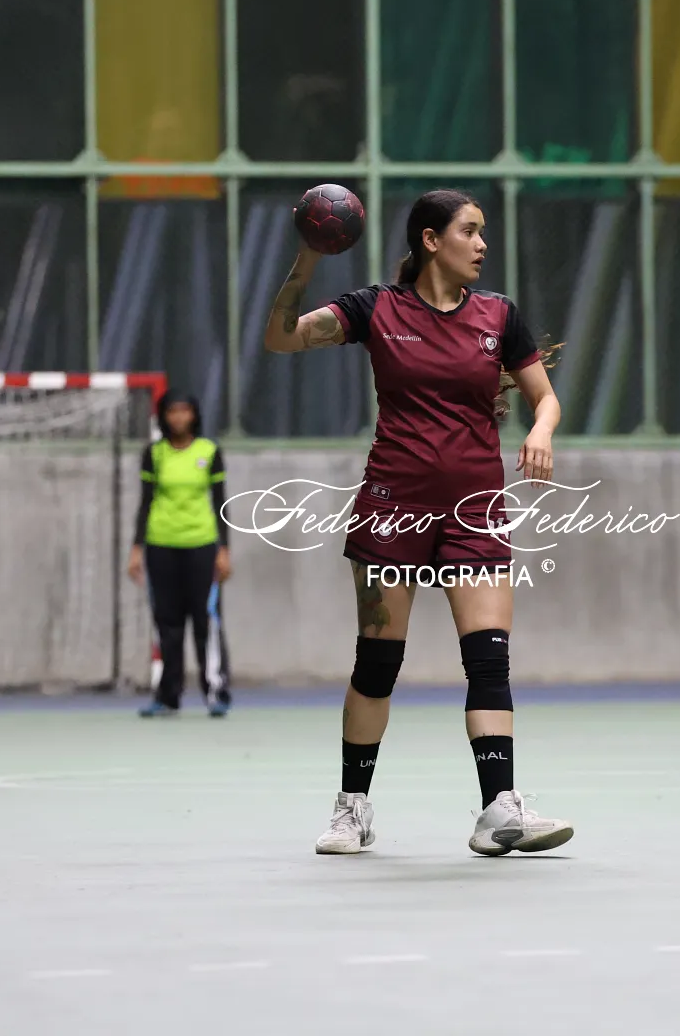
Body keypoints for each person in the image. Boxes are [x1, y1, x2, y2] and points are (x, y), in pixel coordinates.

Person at [262, 188, 573, 857]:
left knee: (489, 660)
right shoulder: (375, 308)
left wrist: (541, 430)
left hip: (474, 511)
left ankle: (498, 809)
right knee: (378, 663)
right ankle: (352, 809)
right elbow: (280, 338)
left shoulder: (498, 316)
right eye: (469, 231)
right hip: (392, 508)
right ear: (431, 240)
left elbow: (545, 399)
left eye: (483, 232)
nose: (482, 244)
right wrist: (308, 259)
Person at [126, 391, 232, 718]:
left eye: (185, 411)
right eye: (172, 411)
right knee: (167, 622)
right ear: (164, 416)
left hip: (201, 545)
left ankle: (215, 691)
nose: (178, 417)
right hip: (161, 545)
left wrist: (223, 550)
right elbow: (145, 502)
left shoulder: (209, 451)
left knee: (205, 620)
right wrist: (137, 548)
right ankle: (168, 696)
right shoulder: (154, 454)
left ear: (194, 415)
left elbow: (220, 502)